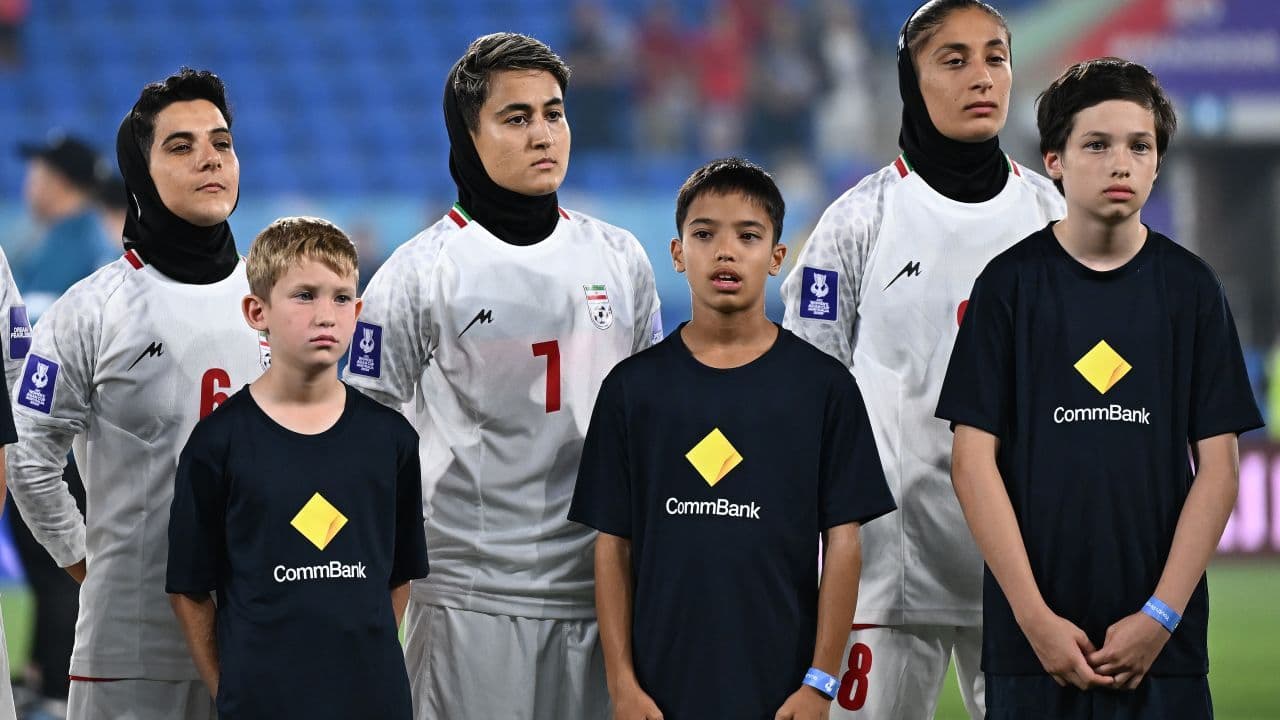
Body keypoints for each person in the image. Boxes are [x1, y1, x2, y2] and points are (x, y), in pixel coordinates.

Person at [343, 33, 662, 719]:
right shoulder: (419, 273)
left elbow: (653, 424)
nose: (543, 133)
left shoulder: (621, 259)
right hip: (469, 598)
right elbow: (360, 446)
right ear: (468, 133)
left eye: (554, 112)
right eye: (517, 118)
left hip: (598, 592)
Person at [937, 56, 1262, 720]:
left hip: (1163, 651)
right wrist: (1034, 620)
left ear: (1158, 163)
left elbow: (1219, 469)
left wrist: (1160, 616)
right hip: (1031, 650)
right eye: (1097, 144)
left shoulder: (1192, 291)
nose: (1122, 163)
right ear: (1053, 159)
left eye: (1139, 146)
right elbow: (972, 463)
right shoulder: (1008, 287)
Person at [779, 2, 1066, 717]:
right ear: (911, 78)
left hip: (1028, 573)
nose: (982, 76)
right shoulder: (857, 222)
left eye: (995, 56)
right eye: (954, 59)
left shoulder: (1053, 217)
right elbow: (805, 393)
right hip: (886, 569)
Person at [570, 158, 895, 720]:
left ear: (776, 257)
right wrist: (621, 684)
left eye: (748, 236)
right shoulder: (631, 389)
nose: (725, 251)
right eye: (704, 234)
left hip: (782, 693)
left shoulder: (825, 388)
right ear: (677, 254)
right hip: (656, 696)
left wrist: (820, 683)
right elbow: (612, 547)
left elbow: (843, 544)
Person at [6, 67, 266, 720]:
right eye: (180, 146)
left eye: (222, 142)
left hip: (261, 638)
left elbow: (325, 461)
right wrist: (94, 570)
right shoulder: (90, 310)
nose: (209, 157)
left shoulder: (278, 303)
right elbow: (32, 458)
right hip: (132, 652)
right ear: (139, 172)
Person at [166, 217, 429, 719]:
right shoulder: (217, 443)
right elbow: (189, 589)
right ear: (256, 310)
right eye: (304, 295)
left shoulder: (391, 439)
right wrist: (231, 690)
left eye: (340, 297)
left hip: (374, 703)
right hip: (261, 703)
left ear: (358, 311)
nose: (325, 315)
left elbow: (397, 578)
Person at [15, 132, 112, 318]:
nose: (28, 185)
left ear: (58, 182)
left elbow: (29, 328)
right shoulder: (69, 235)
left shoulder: (75, 245)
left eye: (36, 174)